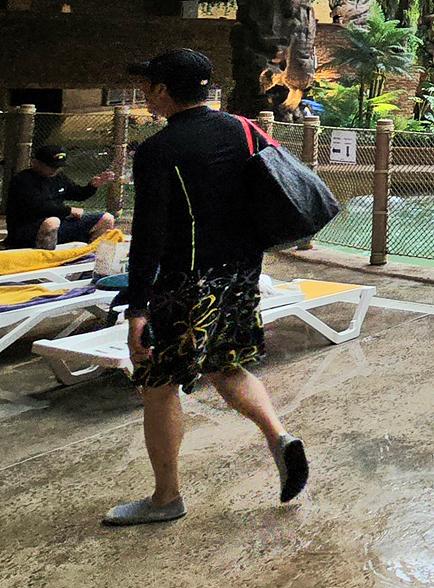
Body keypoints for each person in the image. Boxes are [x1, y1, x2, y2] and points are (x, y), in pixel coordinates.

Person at [103, 49, 307, 527]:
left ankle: (166, 498)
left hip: (185, 285)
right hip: (240, 274)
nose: (144, 93)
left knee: (157, 385)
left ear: (162, 91)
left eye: (148, 85)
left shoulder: (158, 151)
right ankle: (278, 437)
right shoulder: (243, 129)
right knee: (225, 364)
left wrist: (138, 310)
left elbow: (149, 235)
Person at [3, 145, 115, 250]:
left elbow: (77, 194)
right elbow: (38, 207)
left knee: (106, 218)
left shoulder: (58, 178)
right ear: (36, 163)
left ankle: (91, 254)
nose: (55, 170)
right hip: (29, 229)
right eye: (51, 166)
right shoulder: (23, 180)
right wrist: (69, 210)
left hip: (60, 226)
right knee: (52, 222)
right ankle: (44, 257)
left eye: (58, 167)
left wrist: (93, 186)